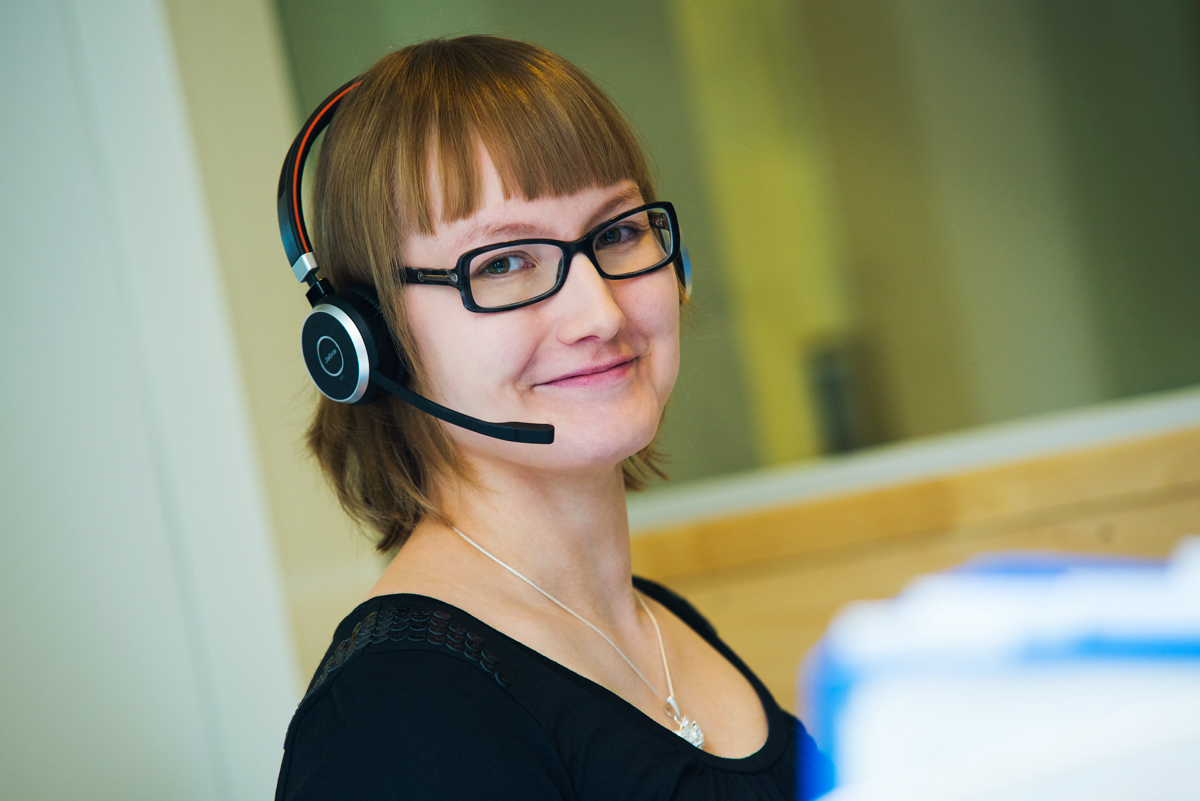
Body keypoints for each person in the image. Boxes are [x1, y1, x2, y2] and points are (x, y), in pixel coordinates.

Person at [274, 34, 832, 800]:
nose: (599, 312)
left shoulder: (660, 624)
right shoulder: (395, 717)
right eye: (503, 263)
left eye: (618, 232)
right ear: (370, 338)